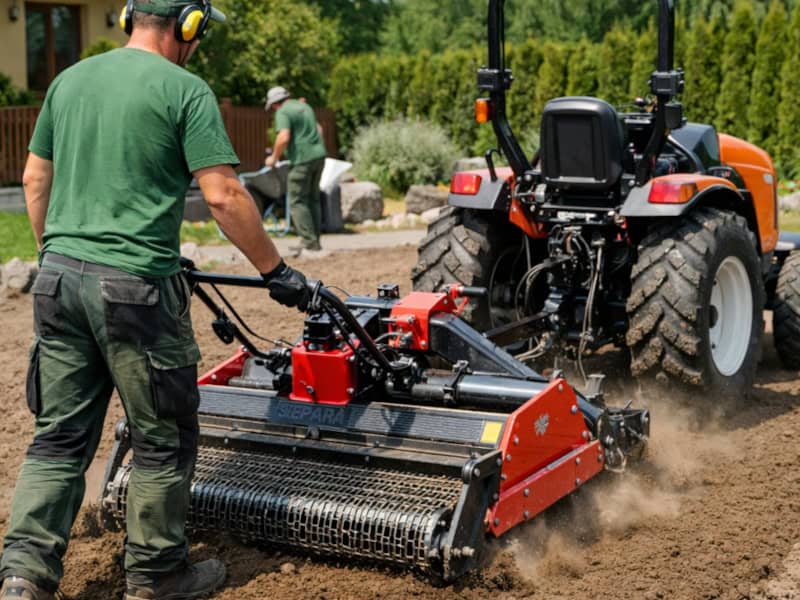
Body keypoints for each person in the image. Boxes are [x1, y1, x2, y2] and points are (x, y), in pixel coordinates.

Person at [0, 1, 309, 599]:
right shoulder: (185, 90)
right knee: (161, 436)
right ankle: (157, 575)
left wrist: (59, 257)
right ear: (187, 26)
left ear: (128, 18)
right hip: (135, 293)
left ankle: (23, 577)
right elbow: (223, 196)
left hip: (58, 282)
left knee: (58, 436)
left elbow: (35, 179)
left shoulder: (69, 80)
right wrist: (276, 270)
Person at [264, 87, 328, 255]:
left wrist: (274, 158)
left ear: (275, 103)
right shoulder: (305, 106)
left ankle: (309, 242)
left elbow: (283, 136)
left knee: (297, 200)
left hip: (302, 159)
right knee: (313, 199)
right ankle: (315, 241)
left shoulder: (283, 111)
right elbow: (319, 130)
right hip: (319, 155)